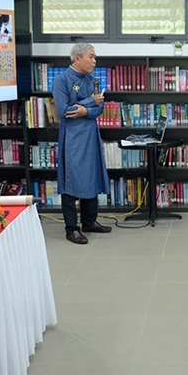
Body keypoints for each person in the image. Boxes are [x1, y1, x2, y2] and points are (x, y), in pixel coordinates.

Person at [53, 43, 111, 244]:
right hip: (73, 139)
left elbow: (100, 107)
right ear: (77, 58)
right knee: (72, 180)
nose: (95, 61)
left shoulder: (91, 80)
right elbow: (64, 111)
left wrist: (86, 109)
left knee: (91, 176)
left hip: (90, 135)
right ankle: (71, 228)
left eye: (95, 57)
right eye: (91, 57)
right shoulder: (61, 81)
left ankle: (89, 221)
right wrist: (89, 103)